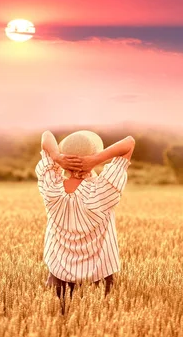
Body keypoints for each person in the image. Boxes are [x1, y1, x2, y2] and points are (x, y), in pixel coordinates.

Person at [35, 130, 135, 313]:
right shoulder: (104, 190)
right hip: (100, 278)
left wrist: (57, 156)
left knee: (58, 327)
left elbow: (46, 136)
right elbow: (129, 142)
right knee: (98, 330)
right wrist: (96, 160)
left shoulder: (51, 188)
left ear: (64, 162)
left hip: (59, 276)